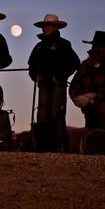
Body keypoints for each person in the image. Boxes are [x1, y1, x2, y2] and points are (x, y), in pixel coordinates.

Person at [28, 14, 80, 152]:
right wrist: (35, 75)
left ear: (56, 27)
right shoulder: (38, 46)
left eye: (48, 25)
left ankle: (59, 146)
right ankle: (42, 145)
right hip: (43, 84)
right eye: (44, 25)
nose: (45, 28)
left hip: (58, 84)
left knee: (57, 114)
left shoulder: (64, 44)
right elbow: (31, 65)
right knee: (42, 113)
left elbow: (75, 62)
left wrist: (60, 76)